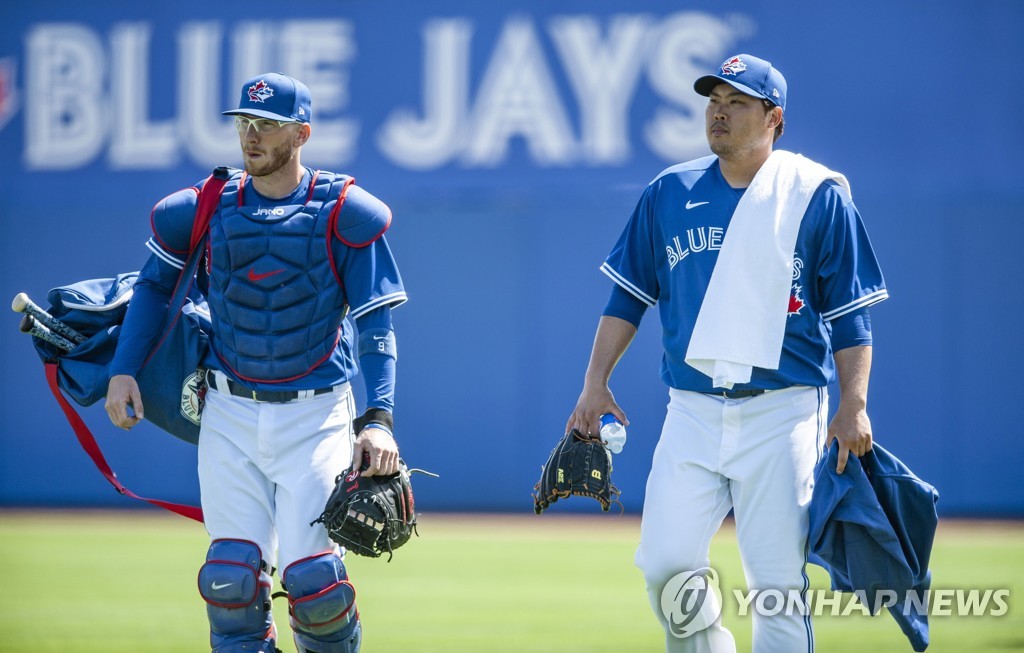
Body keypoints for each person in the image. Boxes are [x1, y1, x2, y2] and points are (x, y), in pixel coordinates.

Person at [566, 54, 888, 652]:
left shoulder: (815, 195)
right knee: (664, 565)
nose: (719, 111)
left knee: (776, 590)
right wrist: (595, 383)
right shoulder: (670, 191)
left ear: (775, 119)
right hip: (691, 409)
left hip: (783, 410)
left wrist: (855, 405)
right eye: (714, 99)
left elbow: (850, 315)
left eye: (737, 101)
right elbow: (627, 296)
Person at [105, 72, 407, 653]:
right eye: (244, 122)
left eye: (267, 124)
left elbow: (376, 322)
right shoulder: (206, 206)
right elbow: (152, 289)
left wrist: (379, 418)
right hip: (229, 410)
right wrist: (124, 369)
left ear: (301, 134)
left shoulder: (343, 210)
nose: (251, 135)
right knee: (230, 583)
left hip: (317, 415)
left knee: (316, 586)